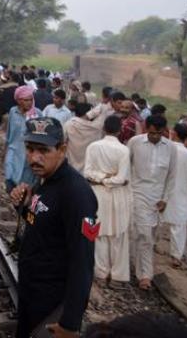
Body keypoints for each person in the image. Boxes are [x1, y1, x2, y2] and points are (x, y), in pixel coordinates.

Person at [10, 117, 97, 338]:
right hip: (31, 288)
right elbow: (41, 225)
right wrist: (23, 207)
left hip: (51, 298)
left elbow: (83, 261)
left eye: (43, 150)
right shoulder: (45, 180)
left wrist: (70, 322)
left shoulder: (77, 193)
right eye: (29, 149)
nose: (34, 158)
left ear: (62, 149)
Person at [127, 115, 176, 290]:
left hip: (158, 199)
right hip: (138, 193)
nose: (155, 136)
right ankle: (145, 276)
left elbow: (172, 176)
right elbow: (126, 166)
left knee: (148, 237)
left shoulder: (170, 148)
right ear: (146, 128)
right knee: (144, 235)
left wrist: (165, 198)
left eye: (159, 134)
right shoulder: (135, 142)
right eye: (152, 133)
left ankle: (134, 264)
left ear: (164, 131)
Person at [83, 115, 131, 287]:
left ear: (103, 128)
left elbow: (87, 172)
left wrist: (100, 179)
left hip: (96, 193)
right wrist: (109, 179)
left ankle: (100, 273)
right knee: (118, 234)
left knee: (98, 233)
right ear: (120, 130)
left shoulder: (93, 147)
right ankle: (118, 276)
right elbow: (122, 179)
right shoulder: (124, 150)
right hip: (117, 195)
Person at [162, 123, 187, 268]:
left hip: (162, 190)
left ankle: (151, 246)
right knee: (179, 226)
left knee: (155, 221)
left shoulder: (165, 148)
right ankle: (176, 256)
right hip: (182, 193)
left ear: (174, 133)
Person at [3, 85, 41, 193]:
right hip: (13, 151)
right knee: (10, 179)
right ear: (19, 101)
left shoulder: (37, 114)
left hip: (28, 155)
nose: (29, 102)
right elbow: (9, 133)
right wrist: (5, 152)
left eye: (30, 100)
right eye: (26, 100)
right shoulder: (13, 112)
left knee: (26, 185)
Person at [63, 103, 101, 173]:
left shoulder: (69, 124)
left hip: (71, 166)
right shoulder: (96, 128)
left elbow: (62, 143)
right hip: (89, 169)